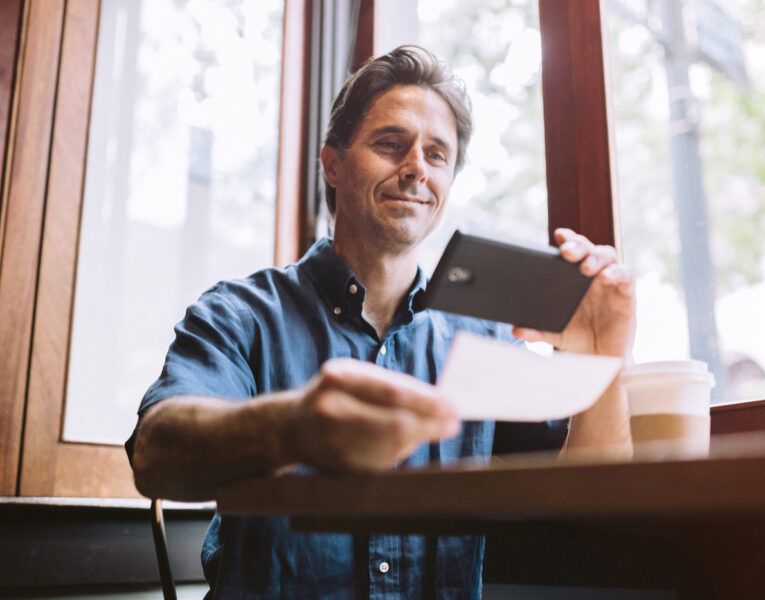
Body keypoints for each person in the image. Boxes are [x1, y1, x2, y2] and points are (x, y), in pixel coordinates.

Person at [127, 45, 634, 598]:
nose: (417, 166)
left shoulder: (482, 339)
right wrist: (296, 427)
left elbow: (590, 502)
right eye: (391, 144)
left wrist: (601, 356)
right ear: (333, 164)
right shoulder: (240, 315)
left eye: (438, 155)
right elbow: (156, 456)